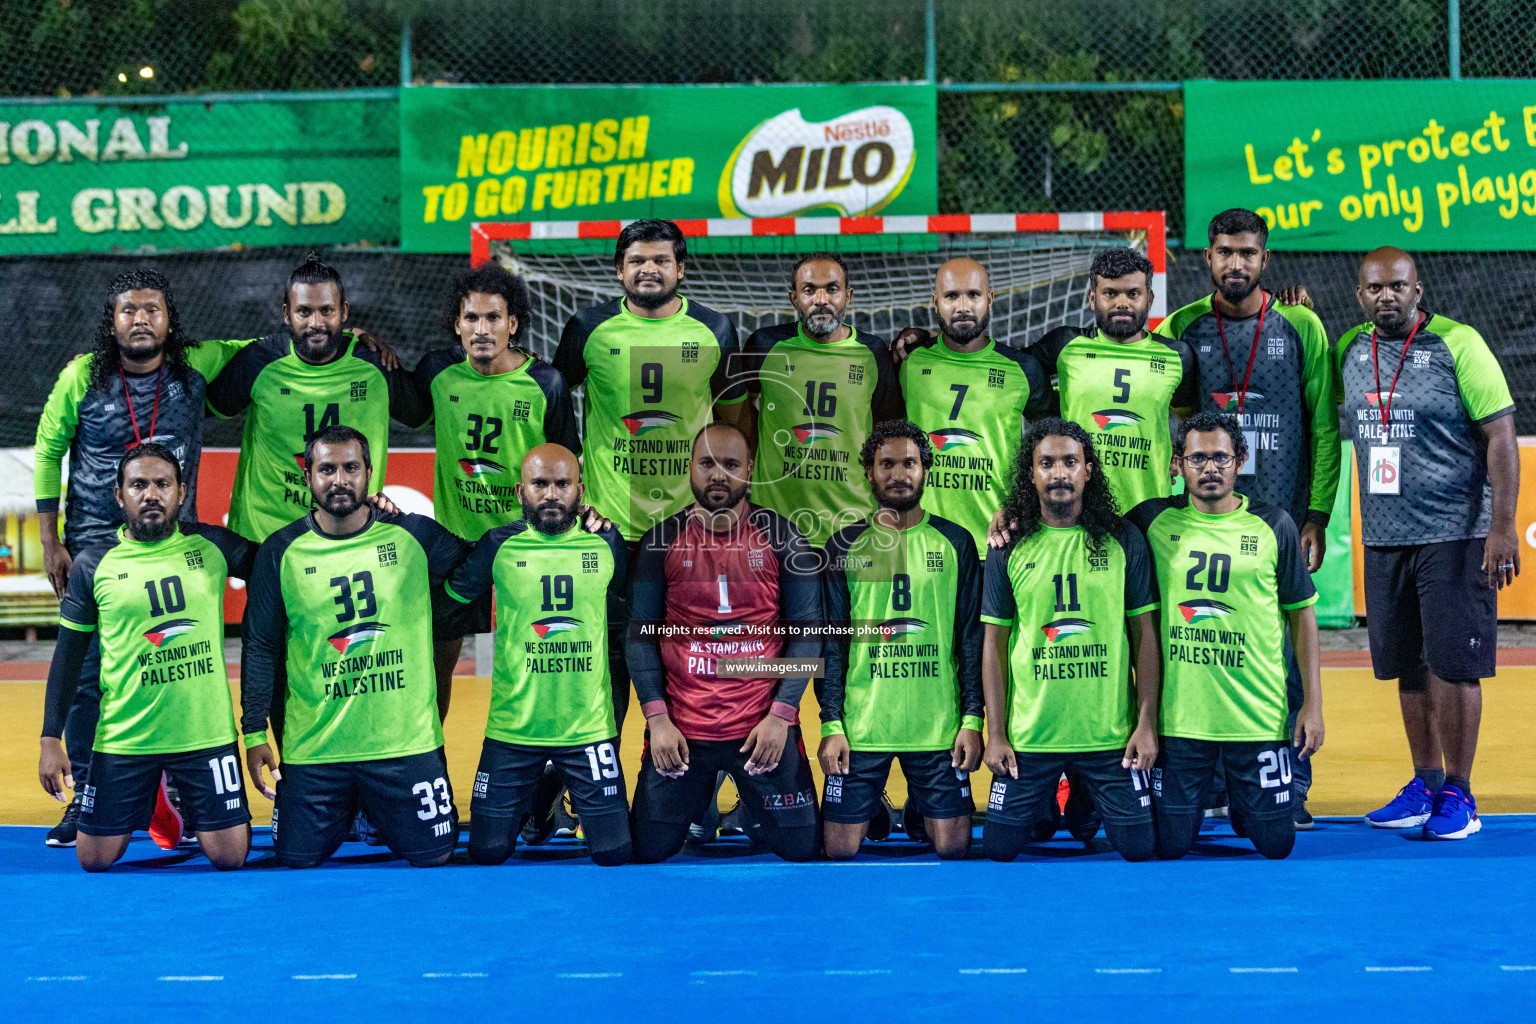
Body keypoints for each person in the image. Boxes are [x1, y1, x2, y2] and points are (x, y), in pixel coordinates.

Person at [33, 269, 254, 848]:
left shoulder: (197, 366)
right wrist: (50, 539)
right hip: (94, 547)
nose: (140, 319)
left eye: (152, 309)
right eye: (128, 310)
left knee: (179, 664)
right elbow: (49, 447)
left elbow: (269, 348)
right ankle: (86, 799)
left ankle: (179, 789)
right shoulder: (81, 375)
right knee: (89, 677)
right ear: (112, 321)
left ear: (169, 319)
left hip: (178, 550)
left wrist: (356, 339)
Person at [1155, 208, 1339, 827]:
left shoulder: (1301, 324)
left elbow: (1322, 425)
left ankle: (1292, 782)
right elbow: (1170, 426)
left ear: (1266, 259)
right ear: (1206, 257)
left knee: (1279, 648)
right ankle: (1208, 781)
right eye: (1225, 252)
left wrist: (1316, 513)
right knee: (1202, 646)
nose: (1237, 263)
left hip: (1279, 515)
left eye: (1249, 253)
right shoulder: (1182, 327)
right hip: (1202, 518)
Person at [1338, 247, 1519, 841]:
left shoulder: (1458, 344)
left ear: (1418, 290)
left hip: (1457, 534)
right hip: (1387, 537)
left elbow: (1500, 437)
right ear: (1359, 294)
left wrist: (1501, 527)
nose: (1385, 297)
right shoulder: (1349, 350)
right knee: (1406, 667)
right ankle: (1424, 783)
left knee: (1454, 666)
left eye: (1397, 287)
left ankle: (1461, 794)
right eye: (1374, 289)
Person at [241, 426, 468, 869]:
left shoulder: (414, 536)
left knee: (436, 855)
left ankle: (374, 808)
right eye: (326, 469)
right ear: (307, 476)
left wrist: (577, 523)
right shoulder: (280, 551)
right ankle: (355, 807)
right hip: (316, 750)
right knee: (296, 859)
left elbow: (486, 562)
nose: (339, 479)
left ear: (369, 473)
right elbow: (261, 647)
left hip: (404, 747)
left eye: (350, 468)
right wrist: (253, 732)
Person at [553, 219, 745, 729]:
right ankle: (597, 787)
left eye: (661, 260)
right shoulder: (588, 328)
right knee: (608, 664)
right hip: (608, 527)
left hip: (690, 527)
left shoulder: (716, 328)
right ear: (619, 270)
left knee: (695, 656)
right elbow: (550, 396)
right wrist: (574, 489)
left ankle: (687, 785)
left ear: (681, 268)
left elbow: (732, 418)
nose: (649, 269)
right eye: (637, 260)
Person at [38, 444, 259, 872]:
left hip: (204, 735)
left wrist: (369, 517)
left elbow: (282, 560)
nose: (151, 494)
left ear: (181, 491)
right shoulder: (92, 565)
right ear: (120, 496)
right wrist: (50, 740)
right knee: (95, 859)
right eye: (138, 485)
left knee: (230, 857)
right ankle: (156, 793)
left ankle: (174, 791)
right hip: (125, 738)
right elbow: (67, 660)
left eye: (162, 484)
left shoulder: (212, 545)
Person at [1125, 412, 1324, 860]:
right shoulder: (1150, 521)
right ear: (1178, 464)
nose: (1209, 468)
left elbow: (1302, 616)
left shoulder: (1274, 526)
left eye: (1220, 457)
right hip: (1179, 723)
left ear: (1241, 461)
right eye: (1197, 458)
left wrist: (1312, 704)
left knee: (1277, 844)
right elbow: (1080, 522)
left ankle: (1247, 804)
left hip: (1258, 717)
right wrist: (1014, 516)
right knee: (1170, 846)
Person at [626, 424, 822, 863]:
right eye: (707, 463)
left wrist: (781, 717)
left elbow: (809, 634)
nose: (718, 474)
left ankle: (748, 808)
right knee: (648, 849)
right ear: (689, 469)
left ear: (750, 470)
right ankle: (708, 799)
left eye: (730, 464)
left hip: (761, 731)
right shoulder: (660, 541)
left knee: (802, 849)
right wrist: (657, 721)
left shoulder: (783, 538)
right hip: (682, 734)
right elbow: (639, 638)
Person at [438, 444, 632, 866]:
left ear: (580, 490)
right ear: (520, 490)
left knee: (616, 852)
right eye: (539, 483)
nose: (551, 494)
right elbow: (450, 601)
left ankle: (554, 781)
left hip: (587, 731)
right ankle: (542, 796)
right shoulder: (497, 546)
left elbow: (633, 616)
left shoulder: (607, 542)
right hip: (512, 731)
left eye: (562, 484)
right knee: (487, 851)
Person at [977, 419, 1160, 862]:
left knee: (1139, 848)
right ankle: (1055, 795)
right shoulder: (1009, 544)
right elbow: (993, 646)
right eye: (1047, 463)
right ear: (1031, 474)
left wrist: (1145, 723)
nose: (1059, 473)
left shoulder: (1122, 539)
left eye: (1070, 462)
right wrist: (996, 734)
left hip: (1109, 738)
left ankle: (1083, 801)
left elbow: (1146, 637)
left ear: (1088, 471)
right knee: (1000, 849)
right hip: (1031, 740)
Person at [405, 261, 581, 720]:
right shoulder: (437, 372)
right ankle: (431, 766)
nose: (482, 329)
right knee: (433, 666)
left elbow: (567, 466)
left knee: (535, 665)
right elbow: (401, 405)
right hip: (454, 546)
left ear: (513, 323)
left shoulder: (546, 383)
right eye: (471, 318)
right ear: (457, 325)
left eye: (493, 318)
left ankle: (541, 771)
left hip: (523, 544)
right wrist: (366, 346)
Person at [819, 420, 982, 860]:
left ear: (925, 469)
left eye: (909, 463)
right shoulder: (843, 545)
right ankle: (872, 804)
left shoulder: (956, 542)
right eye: (886, 464)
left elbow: (970, 639)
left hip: (937, 728)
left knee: (954, 847)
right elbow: (832, 647)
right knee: (837, 851)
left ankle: (918, 806)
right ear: (869, 473)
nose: (898, 474)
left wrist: (971, 721)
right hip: (864, 725)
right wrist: (832, 725)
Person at [730, 252, 906, 548]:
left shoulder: (873, 352)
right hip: (774, 524)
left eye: (832, 289)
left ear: (848, 296)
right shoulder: (765, 345)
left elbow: (889, 435)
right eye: (809, 290)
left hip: (853, 523)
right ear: (794, 298)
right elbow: (735, 411)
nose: (821, 299)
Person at [898, 259, 1055, 555]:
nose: (963, 306)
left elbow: (1054, 443)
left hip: (997, 543)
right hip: (922, 542)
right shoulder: (910, 363)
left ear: (990, 299)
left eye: (973, 294)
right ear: (935, 303)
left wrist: (1023, 503)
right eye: (951, 296)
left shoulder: (1023, 369)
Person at [1030, 248, 1198, 510]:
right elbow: (1010, 371)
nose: (1123, 303)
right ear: (1092, 298)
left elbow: (1193, 419)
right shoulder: (1065, 345)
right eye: (1110, 293)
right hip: (1078, 510)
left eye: (1133, 294)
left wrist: (1179, 451)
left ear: (1149, 299)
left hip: (1150, 507)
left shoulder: (1177, 356)